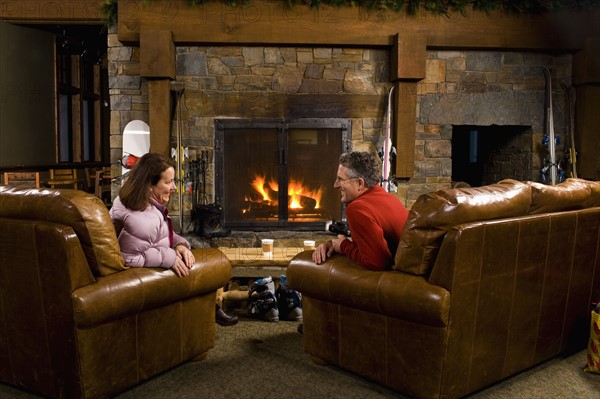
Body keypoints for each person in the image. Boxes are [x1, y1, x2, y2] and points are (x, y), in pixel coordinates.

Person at [109, 152, 238, 326]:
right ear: (149, 185)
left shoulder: (141, 205)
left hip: (149, 264)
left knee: (192, 263)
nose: (174, 188)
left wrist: (179, 244)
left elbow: (158, 235)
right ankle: (210, 310)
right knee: (197, 269)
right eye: (168, 182)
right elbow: (128, 257)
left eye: (173, 181)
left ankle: (210, 310)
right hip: (137, 276)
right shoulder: (141, 218)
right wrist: (167, 257)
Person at [312, 151, 409, 271]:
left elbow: (377, 262)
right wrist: (333, 244)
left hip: (396, 277)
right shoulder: (387, 198)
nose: (335, 185)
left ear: (359, 183)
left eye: (340, 179)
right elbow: (369, 242)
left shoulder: (357, 208)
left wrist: (343, 246)